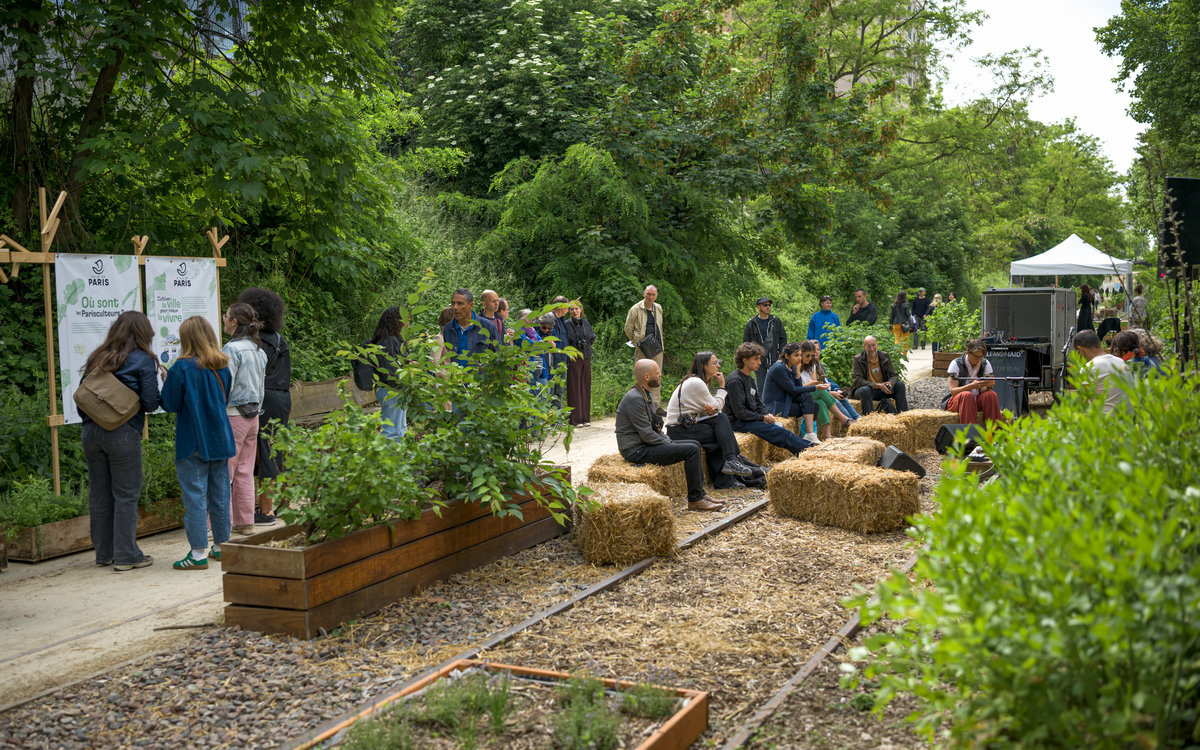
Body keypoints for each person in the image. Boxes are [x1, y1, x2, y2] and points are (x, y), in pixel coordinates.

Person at [79, 311, 161, 571]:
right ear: (143, 332)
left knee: (99, 492)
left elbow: (83, 395)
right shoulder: (144, 359)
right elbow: (149, 403)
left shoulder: (98, 357)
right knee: (126, 494)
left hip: (90, 432)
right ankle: (127, 555)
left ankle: (104, 553)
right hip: (122, 432)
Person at [161, 316, 236, 571]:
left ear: (186, 339)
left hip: (193, 439)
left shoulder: (180, 368)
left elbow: (169, 404)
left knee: (195, 497)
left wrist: (165, 382)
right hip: (220, 438)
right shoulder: (222, 365)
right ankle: (221, 547)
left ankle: (197, 553)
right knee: (221, 494)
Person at [616, 359, 722, 511]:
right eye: (657, 373)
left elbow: (656, 430)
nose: (660, 375)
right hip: (635, 450)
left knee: (695, 445)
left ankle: (701, 494)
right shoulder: (635, 399)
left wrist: (667, 441)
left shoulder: (645, 394)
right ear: (647, 377)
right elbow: (647, 435)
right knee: (690, 450)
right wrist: (670, 445)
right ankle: (695, 500)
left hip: (644, 444)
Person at [664, 352, 762, 489]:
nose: (718, 365)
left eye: (718, 361)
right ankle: (731, 463)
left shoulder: (697, 381)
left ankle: (730, 467)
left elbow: (714, 411)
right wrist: (722, 386)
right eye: (714, 363)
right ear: (703, 365)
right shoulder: (696, 383)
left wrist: (710, 411)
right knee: (719, 436)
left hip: (687, 426)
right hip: (679, 430)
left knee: (720, 422)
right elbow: (718, 406)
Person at [236, 288, 290, 526]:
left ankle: (265, 512)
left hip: (262, 397)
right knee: (277, 449)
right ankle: (286, 502)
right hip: (282, 398)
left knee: (264, 453)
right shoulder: (280, 339)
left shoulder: (252, 341)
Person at [221, 302, 268, 537]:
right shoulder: (259, 349)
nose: (223, 319)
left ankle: (217, 526)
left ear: (234, 322)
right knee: (245, 471)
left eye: (225, 316)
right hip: (253, 417)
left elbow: (224, 386)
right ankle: (245, 521)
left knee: (224, 472)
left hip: (233, 415)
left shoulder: (231, 350)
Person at [723, 342, 811, 456]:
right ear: (745, 360)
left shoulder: (749, 378)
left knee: (782, 430)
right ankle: (811, 450)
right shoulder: (735, 381)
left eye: (759, 359)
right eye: (756, 359)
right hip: (739, 423)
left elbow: (758, 402)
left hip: (749, 419)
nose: (760, 362)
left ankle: (806, 450)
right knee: (779, 433)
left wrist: (767, 414)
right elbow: (740, 413)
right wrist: (762, 418)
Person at [762, 342, 823, 444]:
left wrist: (798, 373)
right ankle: (808, 435)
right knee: (808, 398)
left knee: (814, 405)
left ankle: (806, 437)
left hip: (787, 402)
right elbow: (794, 390)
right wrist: (815, 387)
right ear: (786, 356)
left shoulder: (791, 367)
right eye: (796, 355)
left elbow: (798, 389)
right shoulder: (779, 368)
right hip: (777, 406)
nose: (799, 358)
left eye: (800, 355)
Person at [797, 340, 855, 440]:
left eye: (812, 355)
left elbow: (814, 383)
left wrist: (820, 384)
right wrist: (817, 386)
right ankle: (844, 419)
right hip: (799, 395)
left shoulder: (812, 366)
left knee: (821, 402)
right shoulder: (796, 366)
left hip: (810, 395)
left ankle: (828, 436)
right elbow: (798, 387)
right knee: (821, 392)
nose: (810, 358)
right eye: (807, 355)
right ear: (800, 353)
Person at [368, 306, 409, 442]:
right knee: (391, 431)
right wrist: (403, 386)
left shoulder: (396, 340)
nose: (408, 323)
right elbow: (390, 371)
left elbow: (399, 363)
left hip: (396, 389)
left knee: (400, 428)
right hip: (390, 389)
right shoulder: (387, 341)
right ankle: (386, 461)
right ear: (397, 321)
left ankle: (397, 459)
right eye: (406, 319)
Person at [941, 339, 1003, 424]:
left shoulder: (985, 363)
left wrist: (989, 386)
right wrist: (972, 386)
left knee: (991, 395)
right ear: (968, 352)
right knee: (967, 395)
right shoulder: (956, 363)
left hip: (976, 399)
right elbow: (953, 391)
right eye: (976, 356)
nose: (978, 359)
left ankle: (995, 434)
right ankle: (971, 435)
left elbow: (983, 390)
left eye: (981, 357)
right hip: (957, 400)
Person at [624, 285, 666, 405]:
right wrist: (636, 343)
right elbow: (628, 328)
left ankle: (656, 405)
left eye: (653, 295)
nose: (650, 297)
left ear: (656, 296)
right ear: (644, 294)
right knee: (643, 376)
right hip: (643, 348)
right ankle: (642, 403)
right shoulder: (635, 309)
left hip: (657, 348)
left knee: (657, 376)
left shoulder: (658, 308)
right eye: (648, 294)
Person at [1072, 329, 1130, 413]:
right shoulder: (1121, 362)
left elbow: (1079, 404)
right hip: (1129, 421)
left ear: (1080, 349)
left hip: (1105, 423)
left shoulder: (1089, 368)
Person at [850, 335, 909, 415]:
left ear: (877, 344)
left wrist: (889, 384)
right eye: (868, 346)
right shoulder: (857, 359)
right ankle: (869, 419)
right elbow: (857, 381)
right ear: (864, 347)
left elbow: (893, 375)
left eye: (873, 345)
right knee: (865, 390)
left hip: (883, 389)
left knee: (900, 385)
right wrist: (877, 385)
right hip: (866, 391)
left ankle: (903, 416)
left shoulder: (884, 356)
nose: (872, 349)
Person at [444, 288, 499, 366]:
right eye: (453, 303)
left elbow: (499, 358)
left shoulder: (487, 327)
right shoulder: (448, 328)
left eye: (460, 303)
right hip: (456, 377)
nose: (455, 307)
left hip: (480, 377)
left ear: (471, 305)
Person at [743, 297, 788, 393]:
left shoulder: (776, 321)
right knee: (761, 385)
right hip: (758, 360)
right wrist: (751, 357)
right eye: (765, 305)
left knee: (777, 383)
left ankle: (776, 405)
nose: (768, 307)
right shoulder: (751, 324)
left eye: (769, 305)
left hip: (774, 357)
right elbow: (746, 343)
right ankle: (762, 407)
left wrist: (781, 353)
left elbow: (783, 338)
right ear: (758, 307)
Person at [811, 340, 861, 421]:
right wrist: (831, 393)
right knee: (834, 400)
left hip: (825, 391)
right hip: (819, 394)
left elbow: (826, 380)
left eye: (818, 349)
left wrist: (837, 390)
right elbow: (814, 387)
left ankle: (858, 418)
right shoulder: (809, 367)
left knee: (842, 398)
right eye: (814, 349)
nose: (816, 352)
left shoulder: (819, 365)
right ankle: (851, 422)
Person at [565, 300, 596, 427]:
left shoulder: (586, 323)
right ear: (569, 311)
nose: (574, 311)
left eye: (576, 309)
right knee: (574, 387)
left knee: (585, 386)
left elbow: (592, 338)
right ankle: (575, 419)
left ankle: (585, 418)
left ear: (581, 309)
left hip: (586, 357)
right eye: (572, 309)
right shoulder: (567, 324)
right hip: (574, 358)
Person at [516, 310, 550, 391]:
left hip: (540, 370)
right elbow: (528, 347)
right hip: (528, 371)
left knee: (546, 391)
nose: (532, 322)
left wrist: (535, 344)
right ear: (521, 321)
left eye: (533, 320)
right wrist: (537, 344)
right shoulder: (519, 332)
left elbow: (544, 349)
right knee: (531, 395)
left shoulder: (534, 332)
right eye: (530, 320)